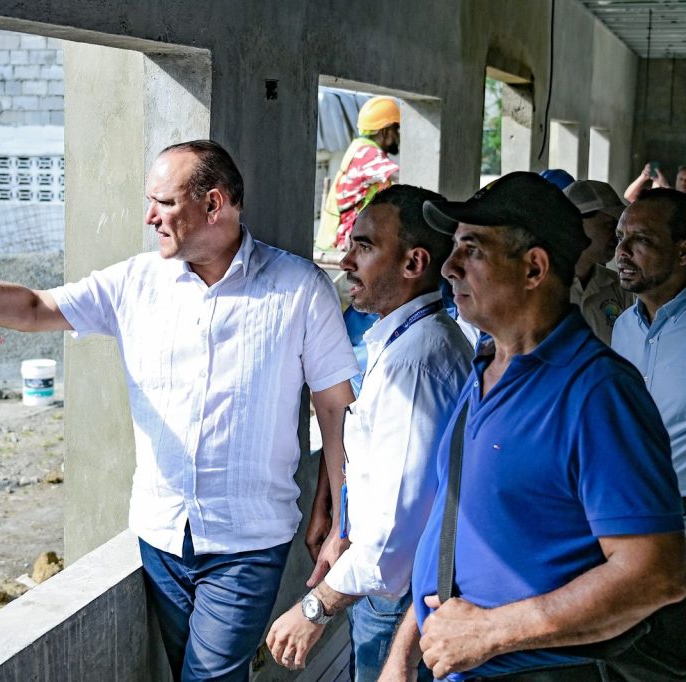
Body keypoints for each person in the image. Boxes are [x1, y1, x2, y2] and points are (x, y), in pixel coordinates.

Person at [0, 140, 359, 682]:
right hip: (161, 535)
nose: (149, 217)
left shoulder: (298, 289)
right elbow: (34, 308)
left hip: (248, 538)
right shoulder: (133, 283)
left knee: (208, 679)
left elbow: (335, 410)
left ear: (214, 204)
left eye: (163, 203)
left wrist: (338, 514)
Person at [380, 172, 685, 681]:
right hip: (457, 661)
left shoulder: (594, 391)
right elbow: (455, 525)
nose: (450, 267)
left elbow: (657, 573)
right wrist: (403, 653)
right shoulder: (483, 372)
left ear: (534, 268)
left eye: (472, 250)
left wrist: (492, 632)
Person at [266, 185, 472, 681]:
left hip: (397, 600)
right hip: (389, 592)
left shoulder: (418, 363)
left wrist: (316, 608)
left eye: (363, 246)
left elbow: (396, 533)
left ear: (413, 262)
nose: (345, 260)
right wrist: (343, 531)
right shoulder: (404, 340)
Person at [612, 188, 686, 504]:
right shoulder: (624, 326)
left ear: (682, 252)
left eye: (641, 240)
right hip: (631, 510)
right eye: (619, 238)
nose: (621, 252)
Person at [315, 96, 401, 252]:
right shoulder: (368, 153)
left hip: (350, 234)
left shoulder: (359, 148)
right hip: (347, 237)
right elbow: (401, 177)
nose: (399, 136)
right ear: (386, 131)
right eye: (397, 129)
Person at [562, 180, 634, 344]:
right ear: (574, 223)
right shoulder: (539, 286)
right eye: (609, 225)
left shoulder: (617, 286)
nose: (616, 235)